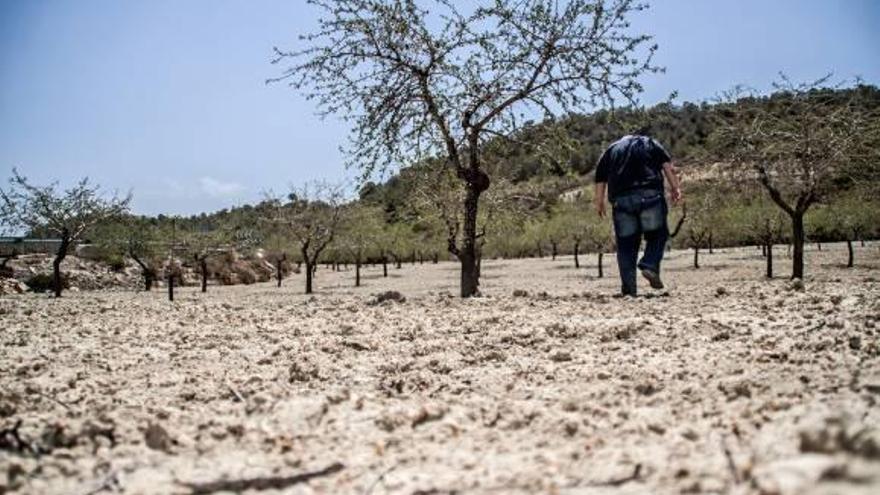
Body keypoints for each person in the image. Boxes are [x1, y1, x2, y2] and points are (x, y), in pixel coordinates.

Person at [594, 133, 682, 296]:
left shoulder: (611, 149)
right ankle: (649, 264)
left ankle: (629, 291)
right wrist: (675, 188)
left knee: (626, 246)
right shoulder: (650, 142)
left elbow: (600, 177)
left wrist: (599, 201)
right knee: (658, 234)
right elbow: (667, 166)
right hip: (650, 195)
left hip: (622, 201)